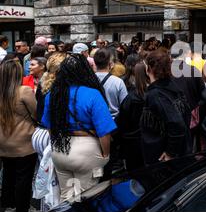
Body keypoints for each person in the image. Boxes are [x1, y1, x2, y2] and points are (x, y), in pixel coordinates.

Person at [40, 54, 117, 201]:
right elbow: (104, 131)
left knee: (66, 198)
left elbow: (49, 126)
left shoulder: (52, 94)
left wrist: (56, 143)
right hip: (88, 151)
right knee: (86, 198)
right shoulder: (93, 94)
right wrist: (105, 155)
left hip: (60, 149)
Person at [139, 50, 192, 164]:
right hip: (180, 150)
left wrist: (170, 153)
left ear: (149, 68)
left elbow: (177, 124)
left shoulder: (157, 95)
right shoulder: (172, 86)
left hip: (161, 156)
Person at [0, 60, 37, 212]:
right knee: (24, 177)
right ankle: (22, 207)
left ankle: (7, 203)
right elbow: (36, 114)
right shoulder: (24, 91)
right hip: (24, 144)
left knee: (8, 174)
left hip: (3, 142)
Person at [116, 62, 148, 171]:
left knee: (133, 174)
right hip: (149, 141)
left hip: (132, 143)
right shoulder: (154, 95)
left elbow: (121, 122)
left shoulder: (131, 98)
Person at [94, 48, 128, 120]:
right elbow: (125, 105)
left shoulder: (88, 80)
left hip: (94, 121)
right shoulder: (118, 82)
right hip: (113, 121)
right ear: (111, 64)